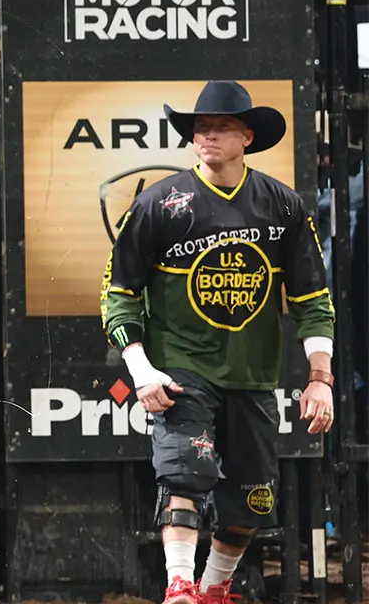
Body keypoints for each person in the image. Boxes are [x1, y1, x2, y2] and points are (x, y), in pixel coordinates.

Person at [102, 81, 335, 604]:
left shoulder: (284, 206)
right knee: (184, 473)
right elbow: (117, 294)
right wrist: (141, 370)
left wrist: (320, 379)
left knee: (250, 502)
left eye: (221, 126)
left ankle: (211, 591)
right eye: (199, 127)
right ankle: (179, 586)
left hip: (253, 375)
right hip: (181, 368)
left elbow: (313, 299)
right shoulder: (159, 202)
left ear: (247, 136)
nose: (206, 135)